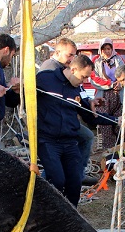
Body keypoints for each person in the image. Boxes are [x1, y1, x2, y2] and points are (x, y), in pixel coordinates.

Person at [36, 54, 123, 206]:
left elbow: (89, 115)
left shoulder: (77, 89)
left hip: (69, 141)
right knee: (57, 180)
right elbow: (18, 97)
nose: (84, 81)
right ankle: (50, 213)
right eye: (83, 77)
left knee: (75, 182)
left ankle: (72, 215)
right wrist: (15, 90)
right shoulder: (44, 79)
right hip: (48, 140)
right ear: (73, 69)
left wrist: (115, 120)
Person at [39, 37, 96, 184]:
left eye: (74, 55)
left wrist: (88, 102)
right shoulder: (50, 69)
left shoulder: (69, 71)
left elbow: (76, 91)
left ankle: (75, 174)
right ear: (57, 52)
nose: (72, 59)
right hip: (52, 127)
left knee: (86, 137)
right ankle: (56, 179)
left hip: (65, 123)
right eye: (69, 55)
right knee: (86, 137)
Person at [90, 38, 125, 149]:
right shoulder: (96, 62)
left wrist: (119, 83)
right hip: (103, 97)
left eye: (109, 49)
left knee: (123, 123)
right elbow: (94, 79)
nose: (107, 51)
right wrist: (110, 84)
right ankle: (108, 153)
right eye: (104, 49)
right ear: (100, 50)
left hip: (119, 95)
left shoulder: (119, 59)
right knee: (106, 125)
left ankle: (124, 150)